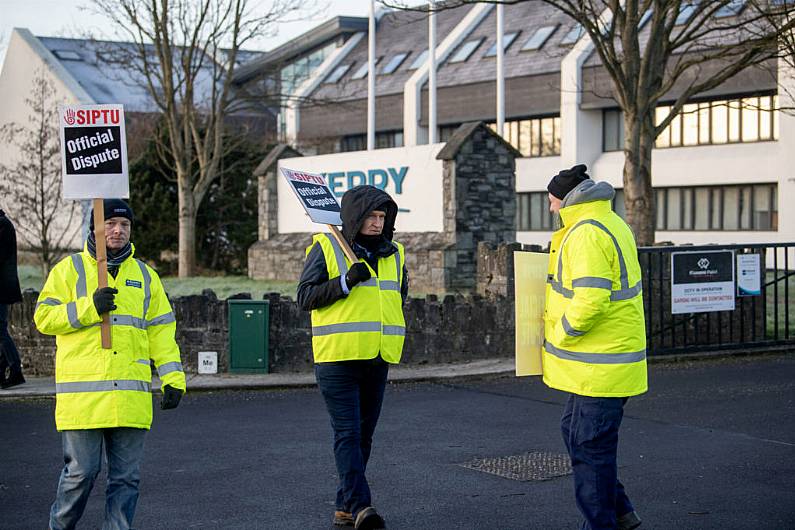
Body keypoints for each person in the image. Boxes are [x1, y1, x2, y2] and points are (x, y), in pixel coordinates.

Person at [34, 199, 186, 530]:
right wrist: (89, 306)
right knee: (81, 474)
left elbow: (161, 331)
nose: (118, 230)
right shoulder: (68, 270)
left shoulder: (146, 276)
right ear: (95, 228)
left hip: (130, 397)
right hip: (83, 400)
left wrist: (173, 377)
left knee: (126, 480)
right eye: (111, 224)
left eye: (125, 225)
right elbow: (43, 318)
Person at [297, 185, 408, 530]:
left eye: (382, 216)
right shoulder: (327, 246)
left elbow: (398, 296)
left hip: (377, 356)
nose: (377, 223)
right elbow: (305, 296)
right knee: (347, 433)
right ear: (354, 217)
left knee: (364, 436)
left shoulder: (397, 253)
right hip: (338, 358)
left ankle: (345, 506)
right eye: (371, 216)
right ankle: (362, 507)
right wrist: (345, 282)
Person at [543, 165, 647, 530]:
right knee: (575, 431)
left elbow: (590, 301)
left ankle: (603, 523)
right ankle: (622, 513)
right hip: (604, 363)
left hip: (601, 364)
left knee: (589, 449)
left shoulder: (585, 233)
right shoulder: (611, 222)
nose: (552, 210)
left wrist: (559, 333)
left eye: (553, 202)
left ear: (567, 200)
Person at [0, 208, 26, 389]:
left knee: (0, 330)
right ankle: (3, 371)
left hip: (1, 287)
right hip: (3, 286)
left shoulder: (2, 225)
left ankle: (15, 369)